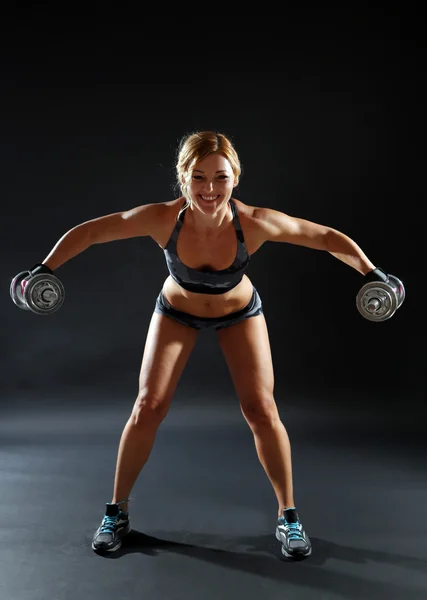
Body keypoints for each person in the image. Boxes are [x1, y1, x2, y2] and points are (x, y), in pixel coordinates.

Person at [29, 131, 384, 559]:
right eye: (198, 177)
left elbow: (325, 237)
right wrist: (42, 269)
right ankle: (115, 512)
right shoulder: (164, 218)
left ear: (236, 177)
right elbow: (92, 232)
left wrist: (372, 273)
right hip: (176, 310)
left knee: (261, 409)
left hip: (239, 312)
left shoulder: (254, 223)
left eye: (220, 177)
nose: (210, 189)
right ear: (183, 178)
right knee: (148, 406)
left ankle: (288, 518)